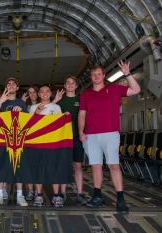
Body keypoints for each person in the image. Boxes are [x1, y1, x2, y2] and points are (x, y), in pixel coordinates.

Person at [78, 61, 140, 214]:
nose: (96, 76)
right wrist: (81, 131)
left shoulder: (115, 89)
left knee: (113, 165)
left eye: (99, 74)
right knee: (96, 166)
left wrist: (127, 74)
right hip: (91, 135)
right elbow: (81, 115)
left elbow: (136, 90)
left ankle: (120, 200)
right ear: (91, 77)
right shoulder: (86, 94)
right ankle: (97, 197)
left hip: (110, 133)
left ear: (104, 75)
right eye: (93, 74)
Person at [0, 77, 28, 207]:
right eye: (9, 84)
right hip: (3, 140)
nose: (11, 85)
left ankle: (20, 195)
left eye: (14, 84)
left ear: (17, 88)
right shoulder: (0, 101)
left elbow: (27, 122)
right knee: (2, 167)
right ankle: (0, 195)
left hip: (18, 140)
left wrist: (22, 112)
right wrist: (0, 103)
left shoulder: (22, 103)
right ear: (6, 87)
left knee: (19, 167)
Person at [53, 76, 88, 206]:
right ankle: (62, 193)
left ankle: (80, 193)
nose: (70, 85)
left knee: (78, 166)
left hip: (77, 137)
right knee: (64, 165)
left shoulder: (81, 100)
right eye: (68, 83)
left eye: (73, 83)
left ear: (77, 85)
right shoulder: (60, 102)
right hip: (63, 138)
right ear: (64, 85)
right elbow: (50, 116)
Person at [29, 85, 65, 207]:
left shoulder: (57, 107)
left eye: (47, 91)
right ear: (38, 94)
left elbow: (61, 124)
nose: (45, 93)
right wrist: (37, 111)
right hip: (38, 144)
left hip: (53, 143)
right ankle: (38, 195)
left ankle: (56, 196)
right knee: (39, 169)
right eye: (42, 91)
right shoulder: (33, 107)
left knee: (55, 168)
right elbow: (29, 125)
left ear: (51, 93)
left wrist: (66, 117)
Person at [21, 85, 40, 201]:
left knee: (37, 166)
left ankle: (38, 191)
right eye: (30, 92)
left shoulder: (43, 104)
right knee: (28, 165)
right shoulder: (26, 106)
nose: (32, 94)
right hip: (27, 138)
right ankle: (30, 190)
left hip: (39, 139)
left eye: (34, 92)